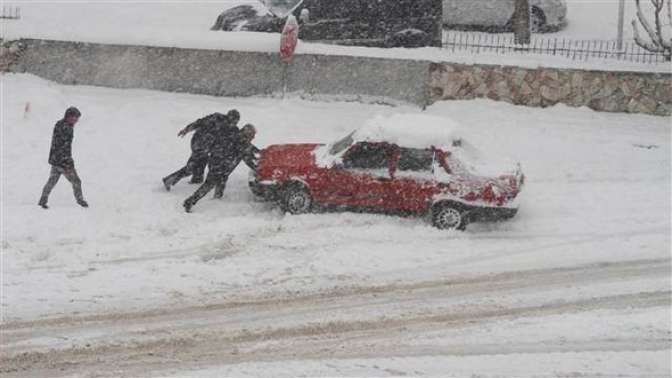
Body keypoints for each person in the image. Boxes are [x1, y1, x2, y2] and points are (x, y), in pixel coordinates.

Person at [183, 123, 259, 213]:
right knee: (209, 185)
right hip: (219, 164)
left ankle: (217, 198)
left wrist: (263, 153)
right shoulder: (240, 142)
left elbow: (251, 149)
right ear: (247, 133)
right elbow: (247, 158)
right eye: (252, 135)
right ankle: (189, 202)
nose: (253, 138)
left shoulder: (238, 137)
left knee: (222, 180)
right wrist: (257, 168)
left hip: (218, 161)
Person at [162, 109, 240, 190]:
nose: (232, 123)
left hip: (207, 146)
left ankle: (197, 179)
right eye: (231, 120)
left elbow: (237, 138)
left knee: (202, 160)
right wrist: (187, 129)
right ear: (227, 116)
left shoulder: (233, 129)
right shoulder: (216, 117)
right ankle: (169, 180)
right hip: (199, 142)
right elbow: (200, 122)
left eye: (235, 121)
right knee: (193, 166)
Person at [38, 107, 88, 209]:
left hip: (55, 160)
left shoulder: (59, 124)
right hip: (63, 162)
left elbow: (56, 145)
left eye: (77, 119)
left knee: (52, 181)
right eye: (75, 118)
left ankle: (42, 200)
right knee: (76, 181)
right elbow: (64, 147)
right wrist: (68, 164)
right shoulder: (67, 129)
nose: (76, 121)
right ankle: (80, 201)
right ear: (69, 117)